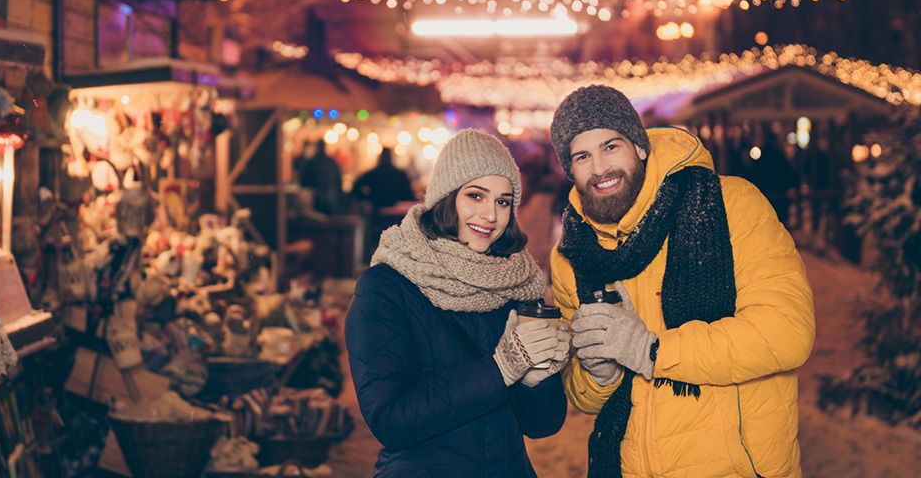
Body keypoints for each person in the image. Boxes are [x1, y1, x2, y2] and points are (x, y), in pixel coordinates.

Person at [547, 85, 815, 478]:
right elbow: (581, 394)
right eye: (582, 156)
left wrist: (651, 350)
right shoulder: (572, 257)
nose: (600, 168)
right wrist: (600, 374)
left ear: (639, 146)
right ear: (571, 171)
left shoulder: (731, 205)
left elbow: (786, 333)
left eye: (611, 146)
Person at [346, 129, 569, 477]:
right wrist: (500, 369)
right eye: (476, 196)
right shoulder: (387, 286)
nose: (491, 216)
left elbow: (543, 425)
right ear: (446, 196)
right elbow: (390, 420)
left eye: (503, 201)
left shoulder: (517, 284)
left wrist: (536, 379)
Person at [298, 139, 344, 214]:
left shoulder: (311, 163)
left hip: (318, 199)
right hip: (328, 199)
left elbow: (304, 183)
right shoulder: (330, 162)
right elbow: (339, 181)